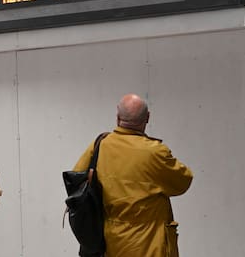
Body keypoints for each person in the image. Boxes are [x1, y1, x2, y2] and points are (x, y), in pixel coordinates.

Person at [72, 94, 192, 257]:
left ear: (117, 117)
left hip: (113, 243)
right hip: (150, 244)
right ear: (147, 118)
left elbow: (77, 180)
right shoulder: (155, 152)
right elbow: (183, 181)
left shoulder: (100, 145)